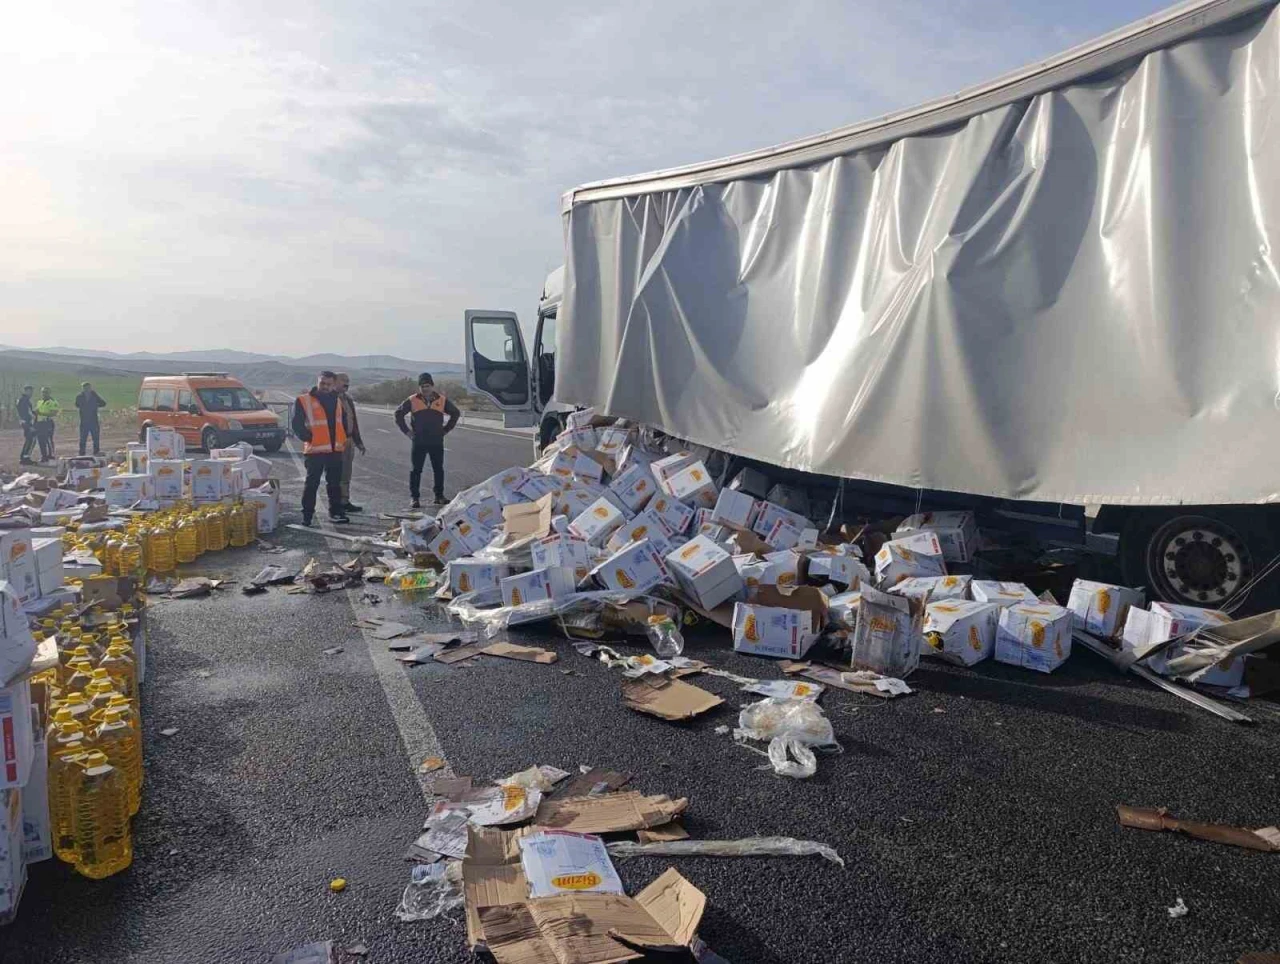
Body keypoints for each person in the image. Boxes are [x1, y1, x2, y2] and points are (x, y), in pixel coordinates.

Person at [290, 371, 351, 526]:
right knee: (312, 484)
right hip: (315, 450)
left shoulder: (336, 400)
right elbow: (296, 424)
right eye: (322, 383)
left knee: (334, 484)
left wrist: (342, 439)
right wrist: (308, 438)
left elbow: (342, 421)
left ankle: (335, 512)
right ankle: (307, 516)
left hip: (335, 450)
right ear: (317, 382)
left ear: (333, 385)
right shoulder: (304, 400)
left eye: (328, 384)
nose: (325, 386)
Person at [394, 372, 460, 508]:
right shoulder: (412, 400)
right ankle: (414, 498)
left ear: (432, 386)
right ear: (419, 387)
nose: (425, 389)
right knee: (416, 470)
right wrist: (407, 432)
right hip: (419, 440)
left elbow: (456, 413)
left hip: (436, 440)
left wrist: (446, 429)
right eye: (422, 386)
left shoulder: (441, 400)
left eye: (427, 386)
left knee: (438, 469)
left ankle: (439, 496)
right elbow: (398, 414)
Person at [334, 373, 366, 514]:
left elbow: (354, 422)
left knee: (346, 474)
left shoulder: (348, 399)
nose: (346, 383)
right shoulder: (331, 399)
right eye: (343, 381)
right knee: (336, 474)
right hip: (335, 442)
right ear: (335, 382)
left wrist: (358, 442)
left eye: (348, 381)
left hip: (349, 441)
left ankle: (344, 501)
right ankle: (335, 503)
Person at [75, 381, 107, 456]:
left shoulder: (94, 395)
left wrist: (95, 406)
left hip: (93, 420)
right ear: (83, 388)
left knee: (95, 438)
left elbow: (103, 403)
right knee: (83, 438)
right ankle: (82, 453)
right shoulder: (79, 396)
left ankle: (96, 452)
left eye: (87, 387)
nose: (86, 389)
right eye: (84, 387)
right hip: (84, 420)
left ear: (90, 388)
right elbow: (77, 404)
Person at [34, 387, 59, 462]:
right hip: (39, 422)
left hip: (48, 422)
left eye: (46, 392)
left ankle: (50, 455)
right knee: (41, 440)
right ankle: (43, 456)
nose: (44, 394)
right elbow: (37, 412)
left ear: (49, 393)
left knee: (48, 439)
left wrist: (41, 413)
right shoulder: (39, 402)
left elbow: (54, 413)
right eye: (43, 392)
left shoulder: (53, 402)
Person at [16, 386, 36, 465]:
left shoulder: (22, 400)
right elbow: (27, 413)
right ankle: (26, 457)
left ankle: (24, 457)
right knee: (30, 440)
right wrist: (29, 424)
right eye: (30, 391)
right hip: (26, 422)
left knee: (29, 439)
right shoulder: (24, 400)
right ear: (26, 391)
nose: (31, 393)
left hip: (24, 421)